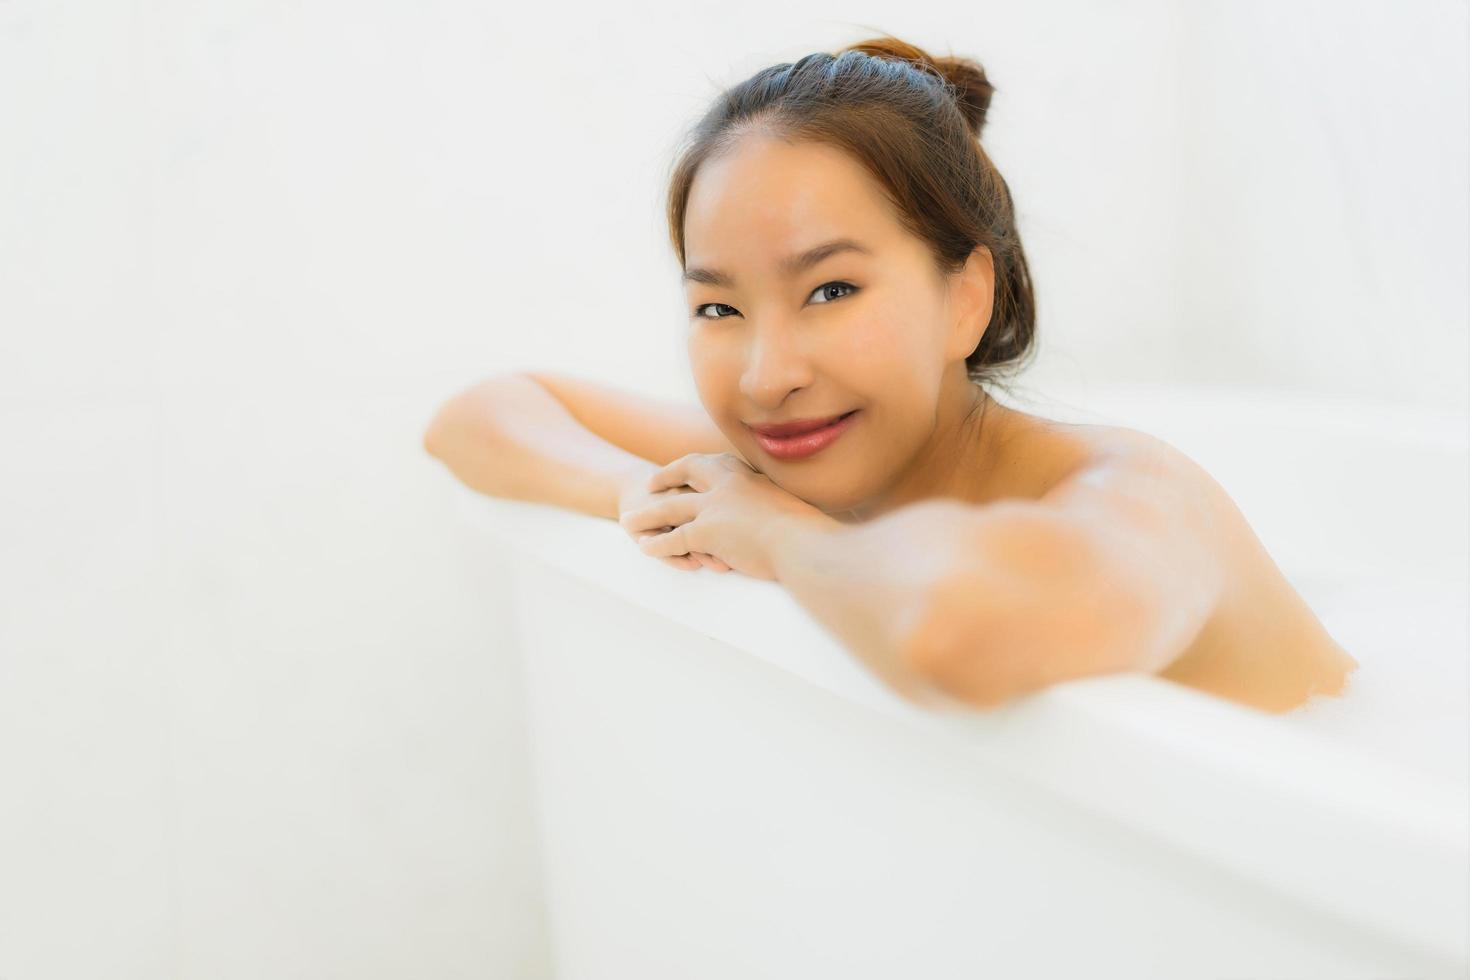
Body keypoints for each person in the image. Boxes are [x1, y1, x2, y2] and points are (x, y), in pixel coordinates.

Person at [424, 34, 1359, 715]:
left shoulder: (1138, 496)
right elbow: (478, 416)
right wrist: (647, 493)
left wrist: (780, 539)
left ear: (966, 298)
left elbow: (950, 629)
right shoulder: (816, 455)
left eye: (830, 289)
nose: (765, 375)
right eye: (718, 307)